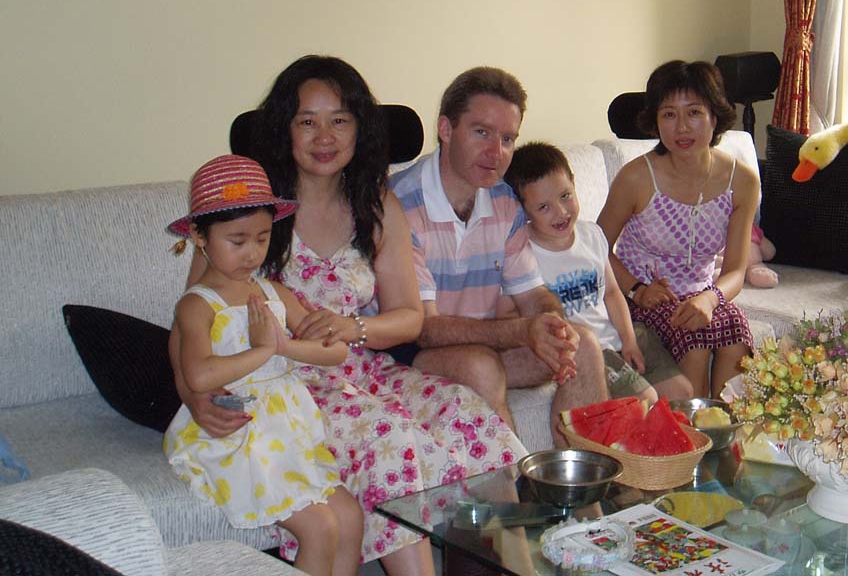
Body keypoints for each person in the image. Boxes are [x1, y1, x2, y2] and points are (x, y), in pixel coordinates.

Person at [170, 56, 526, 574]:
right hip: (287, 385)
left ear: (359, 127)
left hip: (364, 369)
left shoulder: (377, 204)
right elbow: (191, 321)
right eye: (307, 121)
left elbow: (409, 318)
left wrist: (352, 327)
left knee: (472, 416)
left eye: (340, 120)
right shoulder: (247, 210)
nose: (324, 136)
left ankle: (516, 569)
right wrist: (193, 397)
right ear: (284, 129)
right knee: (392, 444)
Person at [164, 155, 363, 576]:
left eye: (262, 238)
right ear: (200, 236)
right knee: (320, 527)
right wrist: (263, 351)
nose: (252, 253)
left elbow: (337, 352)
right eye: (237, 241)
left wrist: (286, 347)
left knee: (350, 517)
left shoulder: (272, 292)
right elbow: (199, 374)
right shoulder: (199, 304)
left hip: (290, 435)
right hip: (240, 439)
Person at [388, 66, 608, 448]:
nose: (497, 152)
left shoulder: (505, 201)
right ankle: (519, 492)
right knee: (480, 365)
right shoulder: (399, 205)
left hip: (487, 344)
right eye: (481, 132)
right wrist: (520, 330)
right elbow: (424, 328)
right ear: (445, 129)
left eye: (508, 138)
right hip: (413, 356)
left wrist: (551, 324)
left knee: (583, 344)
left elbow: (533, 296)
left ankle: (583, 494)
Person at [597, 60, 757, 399]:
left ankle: (729, 431)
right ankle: (693, 437)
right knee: (694, 338)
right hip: (645, 297)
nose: (682, 127)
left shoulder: (741, 181)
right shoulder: (637, 178)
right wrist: (638, 290)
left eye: (694, 112)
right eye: (669, 114)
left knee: (736, 330)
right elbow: (596, 248)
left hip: (703, 293)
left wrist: (710, 299)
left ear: (715, 116)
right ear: (655, 121)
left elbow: (736, 272)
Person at [504, 141, 694, 404]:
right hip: (592, 352)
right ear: (522, 210)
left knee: (683, 393)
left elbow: (613, 294)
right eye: (543, 207)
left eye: (565, 196)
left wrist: (629, 340)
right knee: (645, 399)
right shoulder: (523, 253)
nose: (561, 212)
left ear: (574, 182)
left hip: (620, 333)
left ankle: (681, 442)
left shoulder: (592, 234)